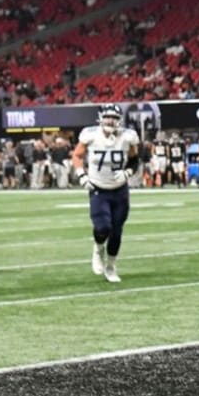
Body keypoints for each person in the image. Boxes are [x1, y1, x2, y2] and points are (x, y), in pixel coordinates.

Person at [71, 103, 140, 284]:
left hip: (120, 191)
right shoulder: (90, 135)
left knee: (116, 232)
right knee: (102, 227)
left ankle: (111, 266)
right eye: (108, 117)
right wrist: (82, 175)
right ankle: (98, 248)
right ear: (100, 118)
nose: (111, 120)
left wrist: (127, 173)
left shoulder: (127, 137)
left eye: (115, 118)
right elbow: (77, 156)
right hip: (98, 188)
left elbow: (134, 161)